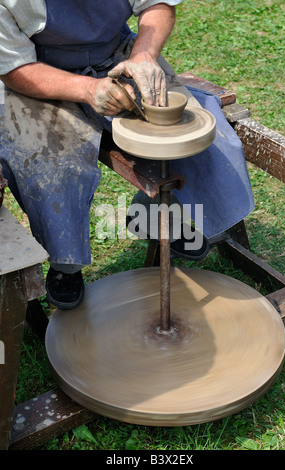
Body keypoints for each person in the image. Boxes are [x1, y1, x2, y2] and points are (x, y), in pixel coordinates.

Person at [0, 0, 254, 310]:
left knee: (188, 136)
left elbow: (158, 4)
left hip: (117, 57)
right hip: (41, 74)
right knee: (53, 169)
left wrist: (144, 55)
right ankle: (65, 265)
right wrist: (88, 90)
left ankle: (153, 212)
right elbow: (14, 67)